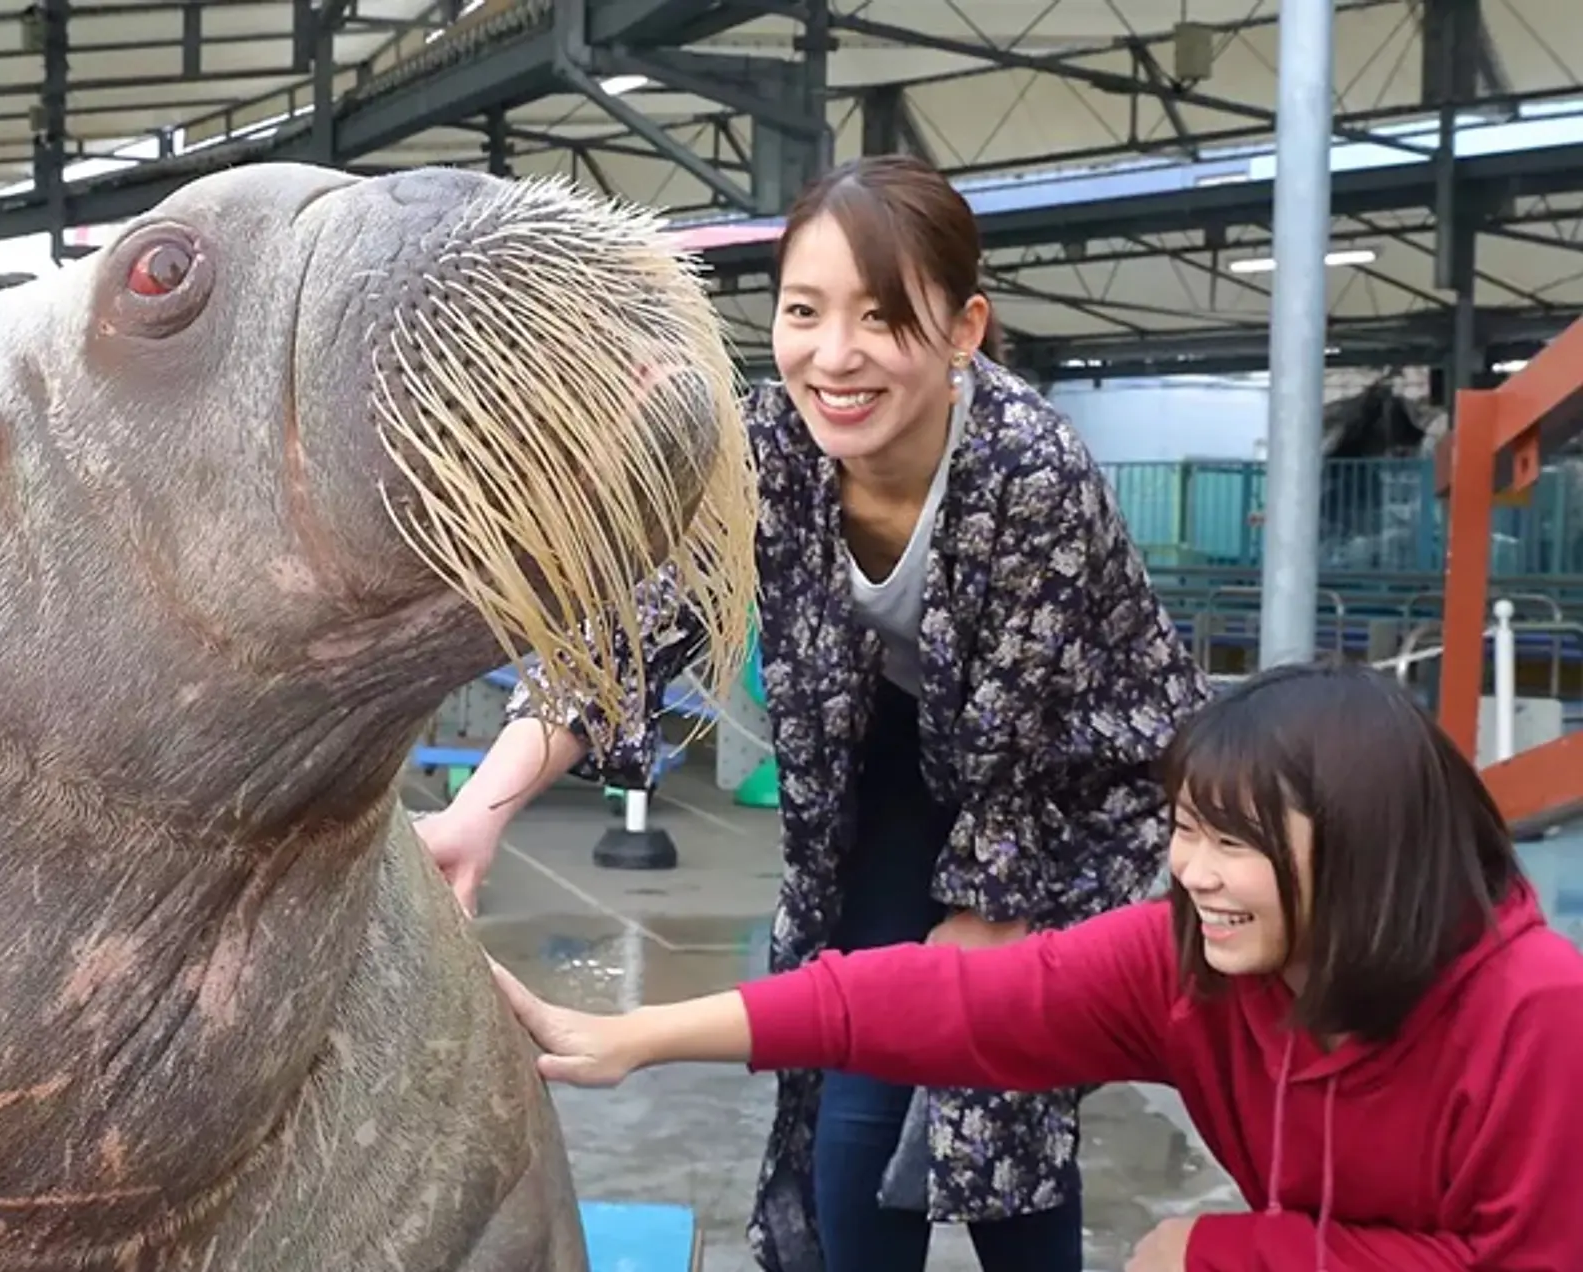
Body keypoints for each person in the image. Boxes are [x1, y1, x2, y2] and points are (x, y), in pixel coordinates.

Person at [415, 154, 1211, 1272]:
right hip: (892, 755)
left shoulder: (1033, 469)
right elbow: (632, 633)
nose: (834, 356)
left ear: (963, 329)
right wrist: (482, 810)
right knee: (855, 1101)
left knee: (1003, 1086)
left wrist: (978, 935)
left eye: (882, 317)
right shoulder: (768, 447)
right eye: (804, 311)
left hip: (1069, 785)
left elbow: (1021, 763)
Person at [487, 661, 1583, 1271]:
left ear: (1365, 844)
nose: (1191, 871)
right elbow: (938, 1001)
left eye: (1234, 842)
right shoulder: (1197, 964)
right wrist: (635, 1038)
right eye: (1185, 828)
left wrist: (1224, 1255)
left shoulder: (1538, 1017)